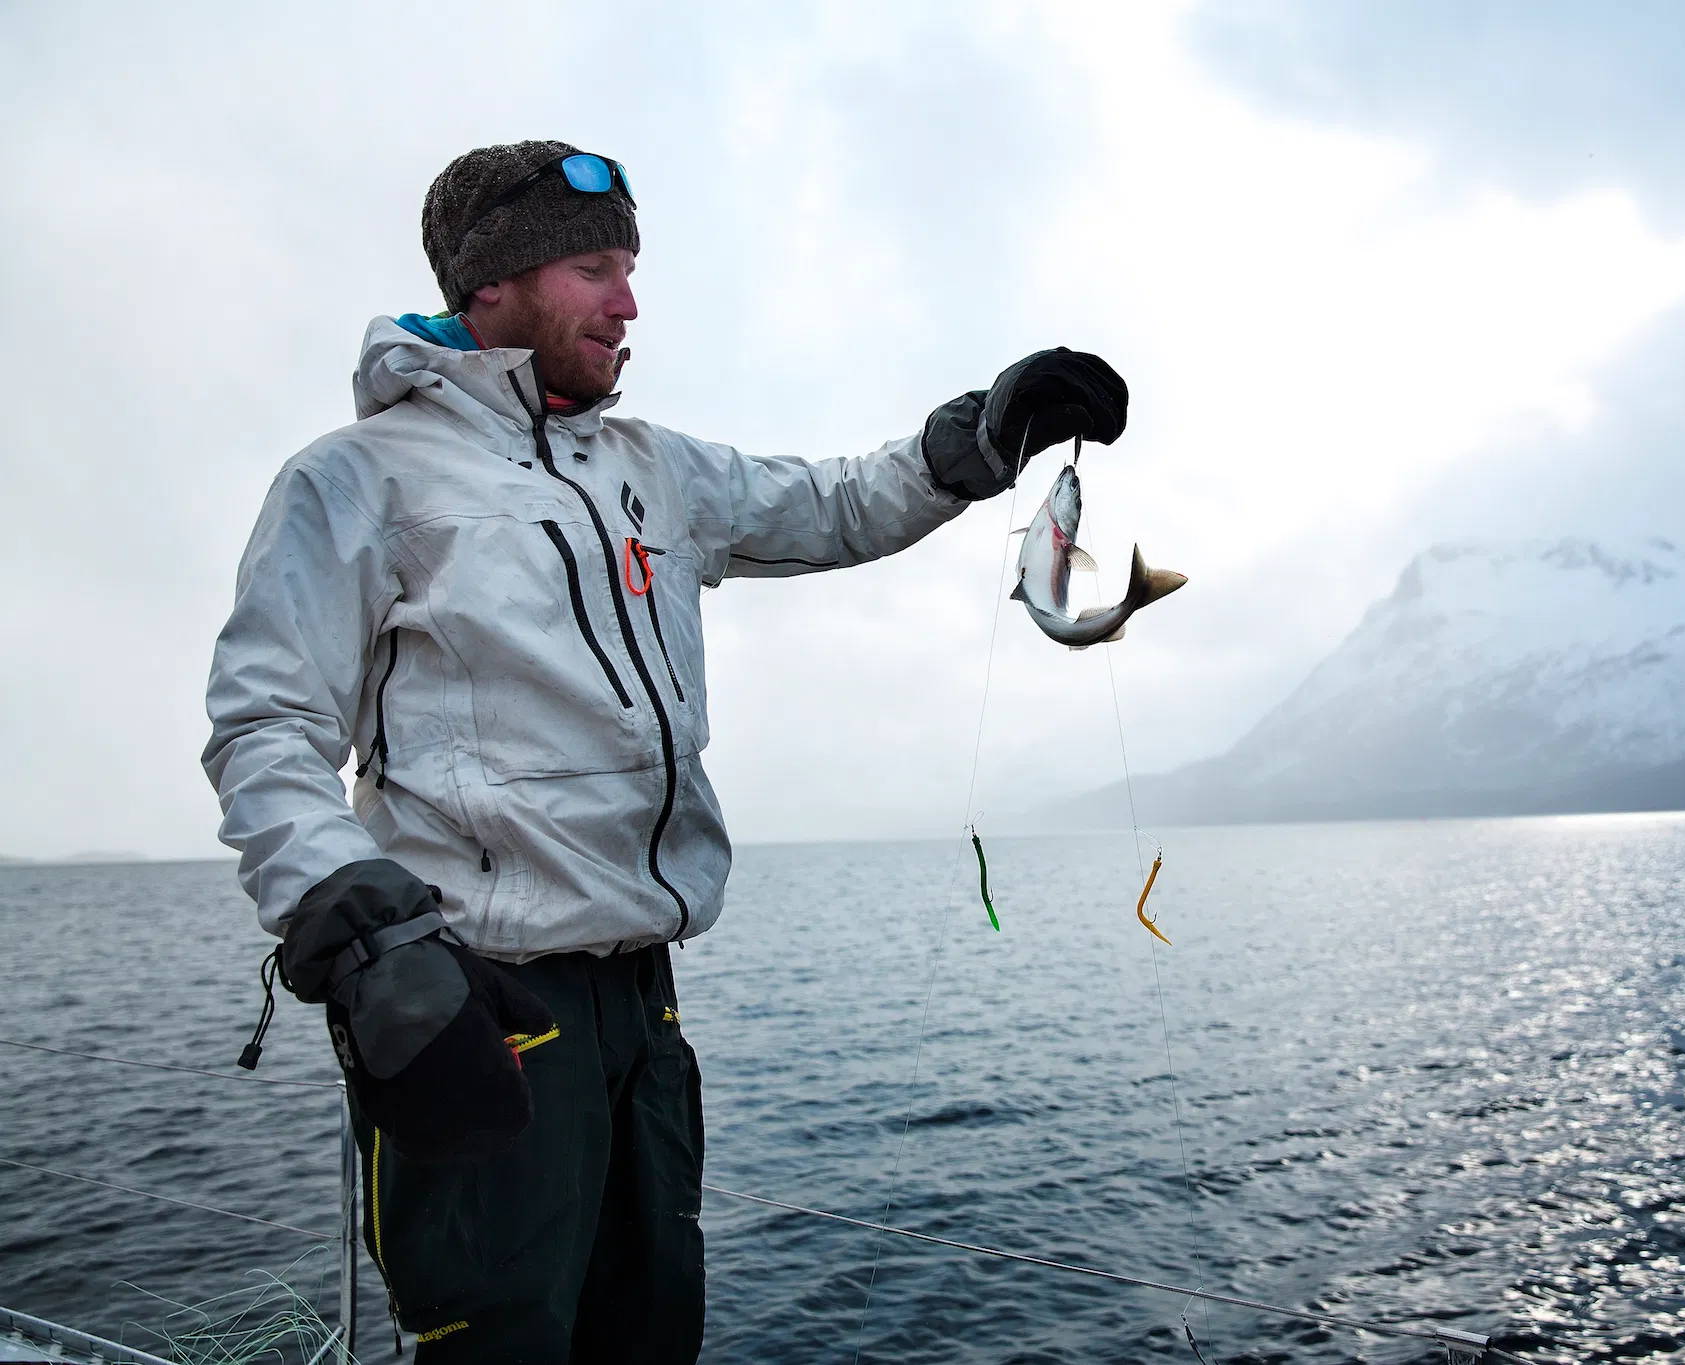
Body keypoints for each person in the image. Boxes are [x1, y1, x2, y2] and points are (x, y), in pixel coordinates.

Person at [201, 140, 1127, 1364]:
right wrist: (364, 925)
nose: (628, 304)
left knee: (648, 1329)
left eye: (629, 270)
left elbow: (832, 504)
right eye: (593, 270)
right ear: (491, 284)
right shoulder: (353, 481)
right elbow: (265, 723)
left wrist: (973, 443)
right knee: (498, 1343)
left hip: (642, 1006)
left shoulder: (652, 468)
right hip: (478, 997)